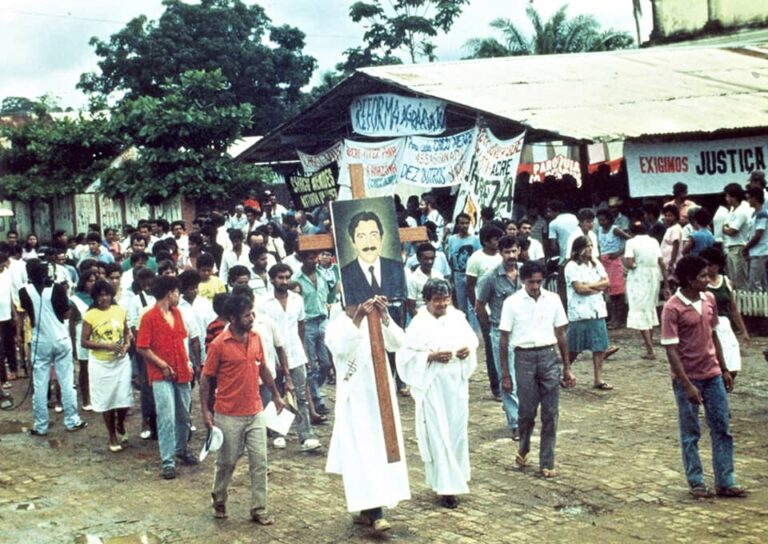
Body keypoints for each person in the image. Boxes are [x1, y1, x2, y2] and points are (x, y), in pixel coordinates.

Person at [660, 256, 747, 499]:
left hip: (713, 374)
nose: (707, 280)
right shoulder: (672, 308)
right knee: (691, 432)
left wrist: (725, 369)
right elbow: (671, 350)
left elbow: (714, 335)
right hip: (688, 378)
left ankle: (726, 480)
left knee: (722, 428)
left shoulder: (709, 299)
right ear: (688, 279)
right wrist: (686, 384)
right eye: (702, 276)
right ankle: (696, 481)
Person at [325, 295, 410, 533]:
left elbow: (398, 343)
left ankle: (368, 510)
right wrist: (359, 316)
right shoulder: (338, 325)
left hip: (380, 395)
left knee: (380, 451)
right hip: (355, 399)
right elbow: (341, 347)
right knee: (361, 453)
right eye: (356, 302)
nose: (362, 305)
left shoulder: (377, 319)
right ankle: (375, 512)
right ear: (346, 303)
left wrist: (384, 316)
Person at [200, 294, 285, 524]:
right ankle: (219, 498)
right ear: (233, 318)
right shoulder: (219, 344)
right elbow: (206, 379)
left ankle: (259, 509)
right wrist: (206, 412)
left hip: (255, 410)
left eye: (252, 313)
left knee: (260, 462)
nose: (252, 318)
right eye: (247, 315)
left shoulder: (256, 337)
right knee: (227, 462)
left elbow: (263, 368)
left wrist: (276, 395)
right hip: (228, 414)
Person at [397, 278, 477, 509]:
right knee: (438, 432)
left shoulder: (457, 318)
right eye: (437, 300)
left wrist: (465, 352)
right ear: (427, 301)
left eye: (445, 298)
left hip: (456, 386)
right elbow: (405, 357)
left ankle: (457, 477)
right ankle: (446, 488)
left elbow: (471, 343)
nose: (442, 304)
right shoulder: (418, 324)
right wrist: (429, 357)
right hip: (432, 386)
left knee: (456, 432)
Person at [498, 260, 573, 478]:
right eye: (531, 282)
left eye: (540, 282)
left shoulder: (553, 300)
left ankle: (547, 461)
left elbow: (561, 334)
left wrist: (567, 367)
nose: (536, 286)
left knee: (550, 412)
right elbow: (504, 339)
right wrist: (505, 374)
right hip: (524, 358)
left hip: (549, 357)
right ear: (523, 280)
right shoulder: (512, 303)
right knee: (527, 412)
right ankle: (523, 446)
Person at [136, 275, 197, 479]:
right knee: (167, 416)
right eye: (177, 292)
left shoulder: (177, 313)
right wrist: (161, 364)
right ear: (169, 293)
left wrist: (188, 361)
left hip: (181, 369)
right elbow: (142, 347)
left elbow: (182, 340)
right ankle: (168, 460)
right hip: (160, 373)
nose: (178, 296)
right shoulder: (149, 317)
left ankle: (181, 449)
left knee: (184, 414)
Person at [22, 259, 88, 435]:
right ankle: (72, 420)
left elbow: (29, 312)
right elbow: (66, 313)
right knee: (66, 381)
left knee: (40, 384)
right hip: (60, 337)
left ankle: (41, 426)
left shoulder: (24, 291)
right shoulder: (58, 288)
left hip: (40, 341)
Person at [261, 264, 324, 446]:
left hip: (295, 354)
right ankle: (278, 433)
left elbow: (301, 326)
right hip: (273, 355)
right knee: (277, 394)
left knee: (301, 395)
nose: (285, 281)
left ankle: (306, 434)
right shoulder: (263, 303)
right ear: (272, 279)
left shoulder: (297, 299)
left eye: (287, 277)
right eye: (280, 278)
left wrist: (302, 349)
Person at [475, 235, 521, 439]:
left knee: (526, 376)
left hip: (524, 332)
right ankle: (516, 423)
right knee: (507, 376)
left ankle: (521, 413)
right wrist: (491, 328)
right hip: (501, 333)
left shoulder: (526, 273)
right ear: (500, 253)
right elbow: (479, 307)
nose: (511, 256)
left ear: (519, 250)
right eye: (507, 252)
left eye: (514, 251)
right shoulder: (490, 277)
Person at [80, 280, 133, 452]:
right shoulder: (90, 315)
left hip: (120, 362)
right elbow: (84, 342)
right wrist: (106, 346)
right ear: (94, 297)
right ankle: (112, 435)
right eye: (100, 295)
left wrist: (126, 345)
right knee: (107, 400)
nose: (104, 298)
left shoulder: (119, 310)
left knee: (124, 398)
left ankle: (120, 422)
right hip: (101, 364)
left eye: (106, 294)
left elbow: (127, 332)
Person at [564, 236, 615, 390]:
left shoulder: (596, 263)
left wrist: (590, 286)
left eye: (591, 246)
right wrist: (596, 287)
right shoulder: (571, 266)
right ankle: (565, 373)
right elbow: (579, 289)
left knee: (599, 346)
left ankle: (598, 379)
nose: (590, 249)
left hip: (597, 310)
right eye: (586, 246)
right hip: (580, 312)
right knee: (574, 347)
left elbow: (606, 283)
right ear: (578, 249)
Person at [292, 252, 333, 417]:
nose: (314, 260)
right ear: (302, 259)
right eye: (310, 258)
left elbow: (329, 292)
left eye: (314, 257)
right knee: (311, 365)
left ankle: (316, 389)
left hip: (323, 320)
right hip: (307, 323)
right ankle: (317, 400)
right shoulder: (296, 278)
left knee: (326, 364)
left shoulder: (322, 274)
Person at [466, 224, 504, 400]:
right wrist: (478, 309)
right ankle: (496, 387)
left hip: (503, 308)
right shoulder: (476, 259)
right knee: (491, 348)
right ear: (486, 241)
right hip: (485, 309)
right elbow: (470, 286)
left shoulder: (503, 256)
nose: (498, 243)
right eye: (495, 239)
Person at [700, 247, 749, 380]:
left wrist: (743, 330)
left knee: (731, 361)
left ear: (718, 265)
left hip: (724, 324)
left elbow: (733, 308)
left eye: (711, 265)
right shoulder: (701, 284)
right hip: (707, 324)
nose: (708, 268)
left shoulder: (726, 282)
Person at [339, 210, 407, 306]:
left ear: (381, 238)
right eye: (361, 236)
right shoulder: (344, 274)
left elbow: (403, 302)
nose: (369, 243)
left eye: (374, 235)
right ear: (353, 241)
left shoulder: (397, 268)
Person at [624, 221, 670, 360]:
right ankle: (649, 347)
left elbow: (629, 263)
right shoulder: (654, 241)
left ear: (631, 232)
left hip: (639, 276)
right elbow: (661, 263)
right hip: (653, 276)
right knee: (649, 309)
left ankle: (650, 349)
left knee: (639, 310)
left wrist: (634, 265)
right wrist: (666, 284)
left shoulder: (631, 242)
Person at [596, 208, 626, 328]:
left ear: (609, 219)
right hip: (604, 262)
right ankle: (613, 318)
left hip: (614, 261)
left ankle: (618, 319)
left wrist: (619, 252)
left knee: (617, 292)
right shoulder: (599, 230)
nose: (601, 222)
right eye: (600, 220)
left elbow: (630, 239)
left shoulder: (615, 229)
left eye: (604, 220)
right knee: (609, 291)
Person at [446, 213, 481, 319]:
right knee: (461, 304)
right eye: (462, 223)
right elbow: (450, 258)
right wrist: (451, 276)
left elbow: (478, 257)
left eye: (467, 223)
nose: (464, 226)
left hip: (472, 274)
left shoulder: (475, 239)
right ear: (457, 225)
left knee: (473, 303)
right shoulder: (451, 239)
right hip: (458, 274)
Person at [406, 243, 443, 318]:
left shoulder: (439, 275)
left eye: (432, 258)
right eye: (426, 258)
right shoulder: (412, 279)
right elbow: (411, 307)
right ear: (419, 259)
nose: (430, 262)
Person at [743, 186, 768, 291]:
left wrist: (746, 248)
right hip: (756, 252)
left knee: (754, 283)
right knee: (762, 282)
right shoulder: (755, 214)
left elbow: (758, 235)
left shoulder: (762, 214)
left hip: (760, 252)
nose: (748, 201)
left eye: (749, 198)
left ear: (755, 198)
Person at [661, 204, 684, 287]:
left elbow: (676, 244)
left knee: (672, 283)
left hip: (672, 263)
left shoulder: (675, 228)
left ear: (676, 217)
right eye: (666, 215)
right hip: (667, 262)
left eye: (670, 216)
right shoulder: (670, 228)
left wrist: (671, 263)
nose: (667, 218)